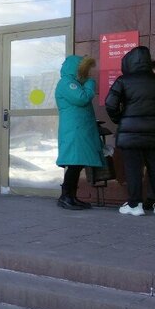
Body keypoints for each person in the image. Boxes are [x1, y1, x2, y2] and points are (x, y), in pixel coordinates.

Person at [104, 46, 155, 216]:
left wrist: (120, 119)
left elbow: (110, 104)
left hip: (130, 133)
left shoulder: (123, 80)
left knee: (133, 168)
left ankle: (135, 204)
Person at [55, 55, 103, 210]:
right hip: (74, 130)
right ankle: (65, 197)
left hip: (79, 130)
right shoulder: (66, 83)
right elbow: (82, 98)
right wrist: (90, 83)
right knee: (74, 163)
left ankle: (71, 196)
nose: (87, 73)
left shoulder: (73, 83)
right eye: (84, 69)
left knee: (78, 163)